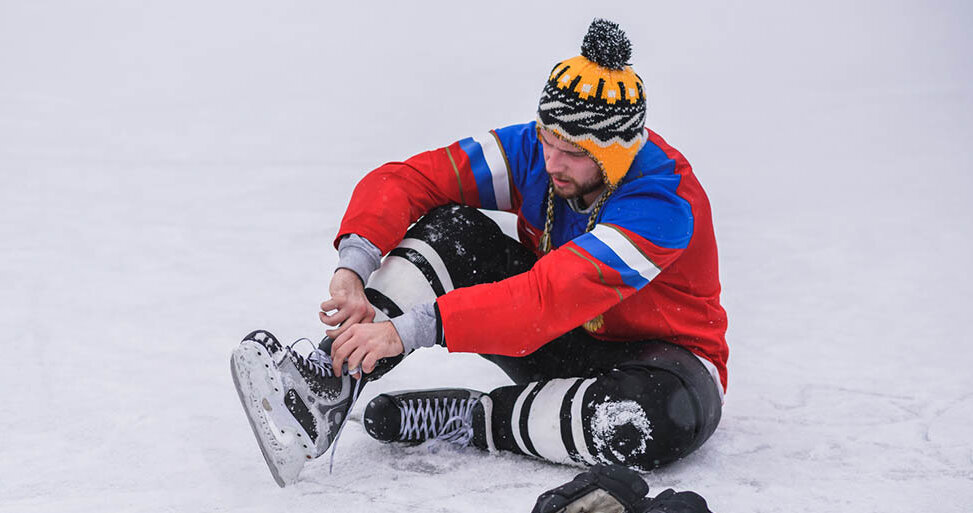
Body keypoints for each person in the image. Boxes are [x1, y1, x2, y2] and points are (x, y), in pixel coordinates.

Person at [230, 19, 727, 488]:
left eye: (573, 152)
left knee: (647, 419)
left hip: (662, 366)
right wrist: (353, 267)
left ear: (613, 155)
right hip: (559, 342)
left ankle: (477, 420)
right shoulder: (536, 152)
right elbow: (407, 179)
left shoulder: (663, 202)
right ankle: (325, 392)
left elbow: (546, 298)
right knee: (454, 228)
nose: (551, 160)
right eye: (547, 139)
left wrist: (408, 331)